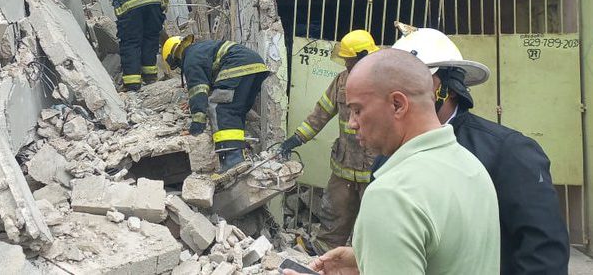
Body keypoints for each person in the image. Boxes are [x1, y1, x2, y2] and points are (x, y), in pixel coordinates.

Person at [285, 49, 500, 275]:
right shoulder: (472, 168)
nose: (351, 124)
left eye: (358, 110)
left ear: (398, 104)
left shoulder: (392, 195)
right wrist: (369, 261)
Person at [388, 27, 569, 274]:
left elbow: (543, 255)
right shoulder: (389, 153)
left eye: (412, 83)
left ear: (447, 87)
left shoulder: (508, 152)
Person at [279, 30, 379, 253]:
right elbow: (321, 113)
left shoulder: (384, 82)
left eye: (349, 59)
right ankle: (323, 254)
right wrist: (296, 139)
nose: (346, 63)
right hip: (343, 165)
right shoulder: (341, 81)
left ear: (363, 56)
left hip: (374, 169)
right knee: (333, 213)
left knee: (375, 220)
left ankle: (367, 261)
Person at [162, 35, 268, 182]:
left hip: (237, 66)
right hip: (256, 66)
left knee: (220, 108)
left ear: (174, 58)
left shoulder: (190, 60)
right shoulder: (200, 50)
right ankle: (241, 155)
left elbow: (198, 90)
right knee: (235, 110)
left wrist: (197, 126)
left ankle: (233, 160)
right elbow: (210, 81)